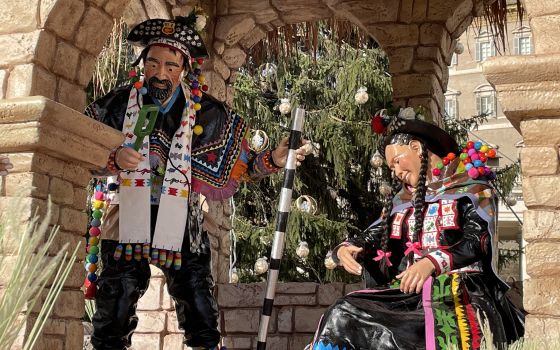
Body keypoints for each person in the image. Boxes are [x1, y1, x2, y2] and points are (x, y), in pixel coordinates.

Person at [85, 16, 306, 350]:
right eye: (154, 63)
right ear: (142, 64)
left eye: (170, 66)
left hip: (182, 217)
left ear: (184, 69)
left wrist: (273, 160)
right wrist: (113, 159)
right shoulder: (115, 105)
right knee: (116, 301)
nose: (160, 74)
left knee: (199, 302)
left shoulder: (207, 113)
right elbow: (80, 148)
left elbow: (240, 167)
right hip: (125, 212)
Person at [309, 108, 524, 350]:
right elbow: (372, 235)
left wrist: (431, 263)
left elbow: (479, 240)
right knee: (342, 312)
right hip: (406, 294)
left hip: (460, 291)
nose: (397, 172)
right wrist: (346, 249)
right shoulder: (402, 202)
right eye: (391, 169)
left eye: (397, 162)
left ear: (416, 148)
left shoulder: (472, 189)